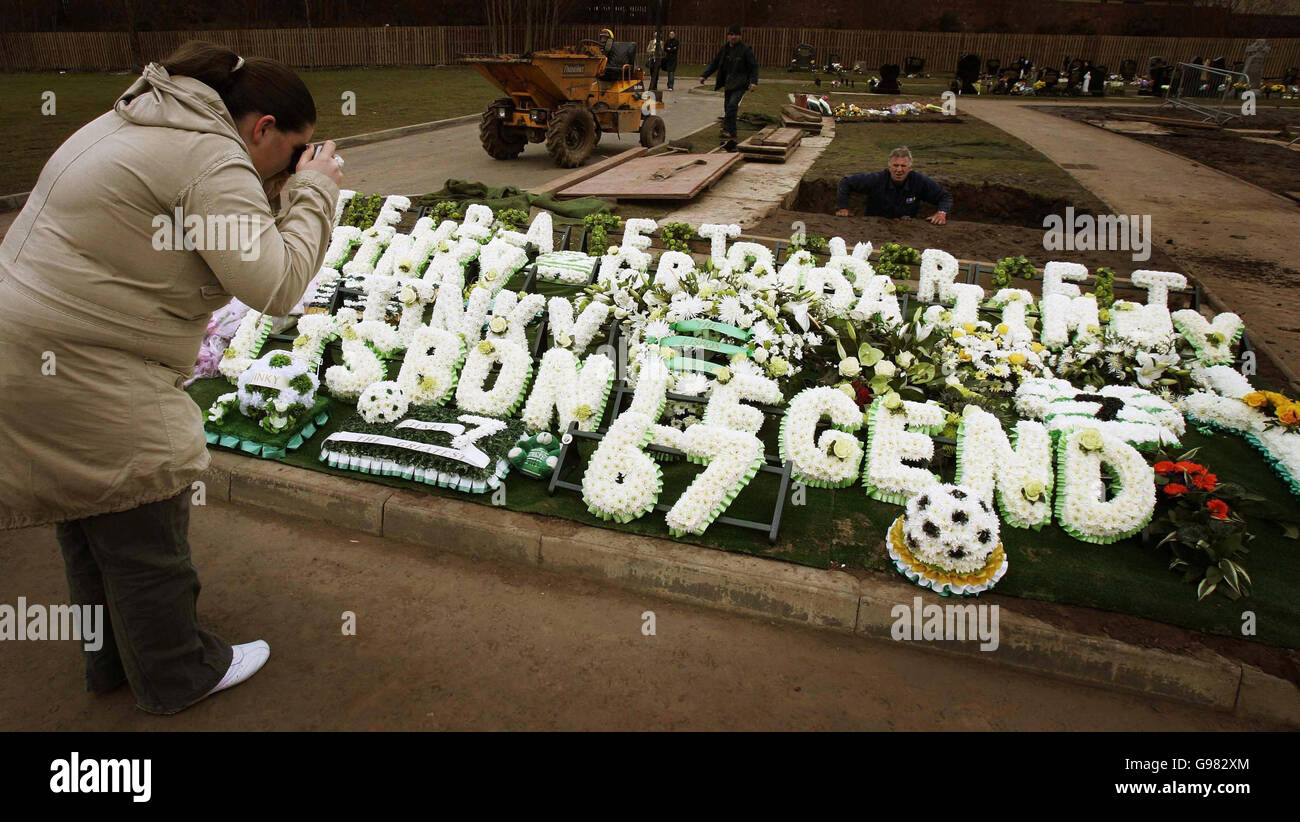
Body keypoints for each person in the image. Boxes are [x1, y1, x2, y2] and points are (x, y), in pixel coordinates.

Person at [0, 40, 342, 714]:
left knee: (89, 506)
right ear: (262, 129)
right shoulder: (208, 154)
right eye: (288, 155)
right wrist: (315, 195)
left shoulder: (144, 118)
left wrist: (281, 187)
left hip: (33, 345)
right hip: (85, 358)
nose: (281, 176)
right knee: (144, 503)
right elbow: (274, 282)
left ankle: (113, 665)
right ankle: (177, 671)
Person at [835, 147, 952, 225]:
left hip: (906, 230)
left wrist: (941, 213)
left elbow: (945, 196)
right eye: (895, 165)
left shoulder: (918, 181)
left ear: (910, 167)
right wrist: (843, 208)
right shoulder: (876, 179)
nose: (899, 170)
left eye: (903, 166)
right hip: (873, 228)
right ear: (889, 166)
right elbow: (845, 182)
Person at [700, 24, 758, 140]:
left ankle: (726, 129)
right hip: (729, 82)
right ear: (728, 36)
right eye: (731, 35)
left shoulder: (746, 50)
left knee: (732, 105)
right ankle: (732, 133)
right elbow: (715, 63)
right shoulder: (724, 49)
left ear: (740, 36)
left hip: (741, 83)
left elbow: (753, 67)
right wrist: (705, 75)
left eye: (736, 35)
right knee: (728, 108)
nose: (733, 37)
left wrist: (753, 82)